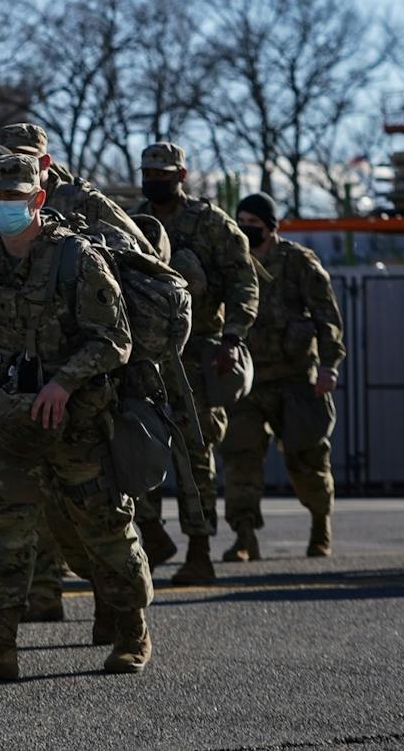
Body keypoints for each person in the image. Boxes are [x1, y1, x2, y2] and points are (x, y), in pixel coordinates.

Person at [0, 154, 153, 680]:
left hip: (77, 426)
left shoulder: (76, 260)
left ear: (38, 200)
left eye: (13, 198)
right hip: (6, 426)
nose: (1, 206)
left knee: (105, 530)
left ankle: (131, 628)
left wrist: (64, 381)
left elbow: (114, 339)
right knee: (4, 529)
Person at [134, 141, 259, 584]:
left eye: (163, 174)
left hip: (196, 356)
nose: (155, 181)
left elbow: (244, 281)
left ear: (181, 176)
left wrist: (232, 338)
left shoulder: (211, 225)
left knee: (194, 456)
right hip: (144, 359)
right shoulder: (133, 223)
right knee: (137, 447)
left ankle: (200, 549)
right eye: (148, 173)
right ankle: (150, 535)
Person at [221, 192, 344, 560]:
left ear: (271, 227)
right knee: (240, 459)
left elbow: (327, 317)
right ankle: (244, 536)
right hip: (248, 380)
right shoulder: (233, 260)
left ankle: (320, 526)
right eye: (240, 221)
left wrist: (329, 366)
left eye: (253, 224)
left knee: (308, 457)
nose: (246, 229)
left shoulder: (298, 262)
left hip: (296, 377)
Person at [0, 123, 150, 249]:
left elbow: (143, 253)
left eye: (25, 159)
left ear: (45, 162)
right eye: (7, 159)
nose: (13, 167)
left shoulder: (84, 202)